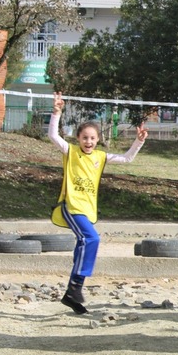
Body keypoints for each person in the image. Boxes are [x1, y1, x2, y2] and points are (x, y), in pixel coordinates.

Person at [48, 92, 147, 315]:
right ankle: (75, 287)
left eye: (92, 138)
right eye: (85, 138)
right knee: (91, 238)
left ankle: (71, 295)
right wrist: (57, 112)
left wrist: (138, 141)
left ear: (98, 139)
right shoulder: (70, 151)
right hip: (71, 207)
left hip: (87, 209)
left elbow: (127, 158)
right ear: (78, 138)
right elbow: (53, 136)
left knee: (83, 245)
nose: (89, 142)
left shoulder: (100, 157)